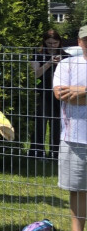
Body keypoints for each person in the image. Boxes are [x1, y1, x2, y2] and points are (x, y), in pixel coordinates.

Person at [54, 25, 87, 231]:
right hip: (74, 136)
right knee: (78, 189)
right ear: (79, 41)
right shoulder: (66, 65)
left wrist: (80, 91)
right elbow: (61, 94)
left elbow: (73, 96)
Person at [33, 28, 68, 158]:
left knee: (57, 124)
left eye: (55, 43)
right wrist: (49, 63)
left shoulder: (66, 57)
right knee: (40, 123)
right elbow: (35, 74)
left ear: (59, 42)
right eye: (49, 43)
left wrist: (62, 63)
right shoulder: (38, 56)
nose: (52, 46)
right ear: (44, 43)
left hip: (60, 95)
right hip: (42, 93)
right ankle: (37, 153)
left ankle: (55, 153)